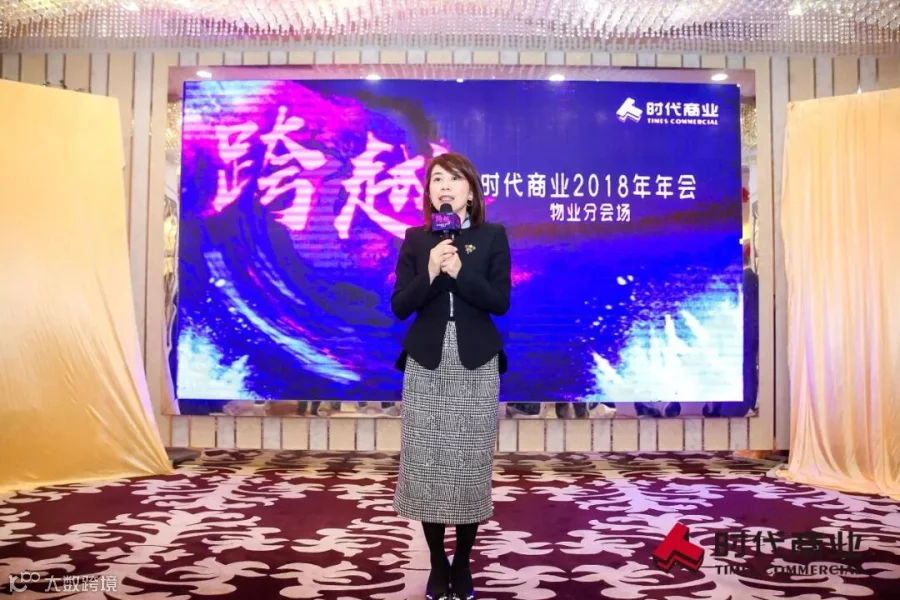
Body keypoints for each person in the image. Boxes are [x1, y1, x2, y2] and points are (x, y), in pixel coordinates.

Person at [390, 152, 511, 600]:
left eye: (454, 179)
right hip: (427, 362)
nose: (444, 186)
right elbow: (400, 306)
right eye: (436, 179)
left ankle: (462, 563)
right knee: (428, 467)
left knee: (467, 468)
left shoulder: (492, 236)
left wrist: (461, 273)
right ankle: (437, 564)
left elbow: (500, 302)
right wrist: (430, 271)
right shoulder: (416, 239)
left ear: (471, 191)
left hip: (476, 362)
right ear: (428, 192)